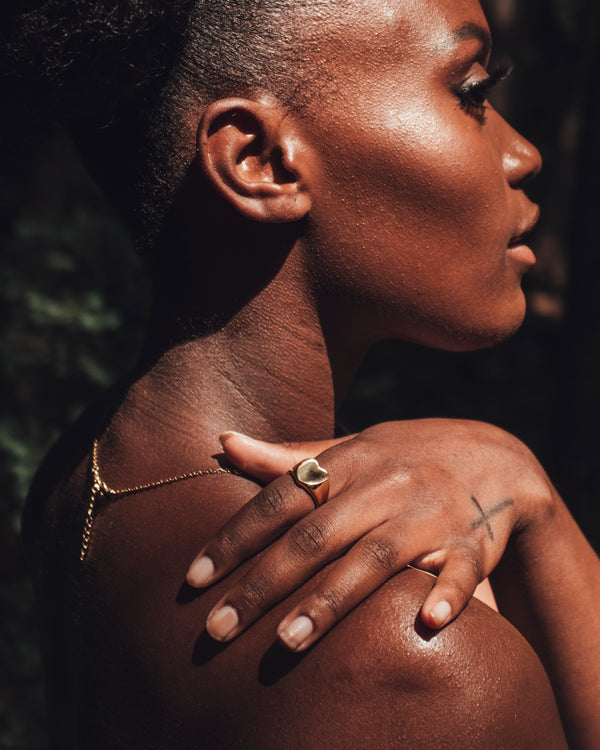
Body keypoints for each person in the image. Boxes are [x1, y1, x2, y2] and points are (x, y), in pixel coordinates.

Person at [16, 0, 599, 747]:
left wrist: (523, 485)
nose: (523, 154)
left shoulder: (85, 471)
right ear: (260, 162)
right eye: (473, 93)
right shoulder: (420, 663)